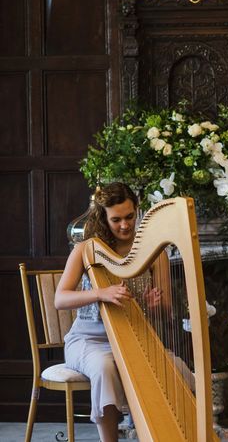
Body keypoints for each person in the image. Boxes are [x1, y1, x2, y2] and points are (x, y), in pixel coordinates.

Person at [55, 182, 161, 442]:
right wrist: (100, 293)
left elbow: (165, 313)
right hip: (87, 341)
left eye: (129, 217)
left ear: (137, 211)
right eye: (116, 219)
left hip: (135, 340)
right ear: (103, 218)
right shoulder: (85, 250)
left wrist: (155, 304)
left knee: (177, 372)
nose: (124, 225)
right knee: (105, 367)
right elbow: (60, 299)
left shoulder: (154, 252)